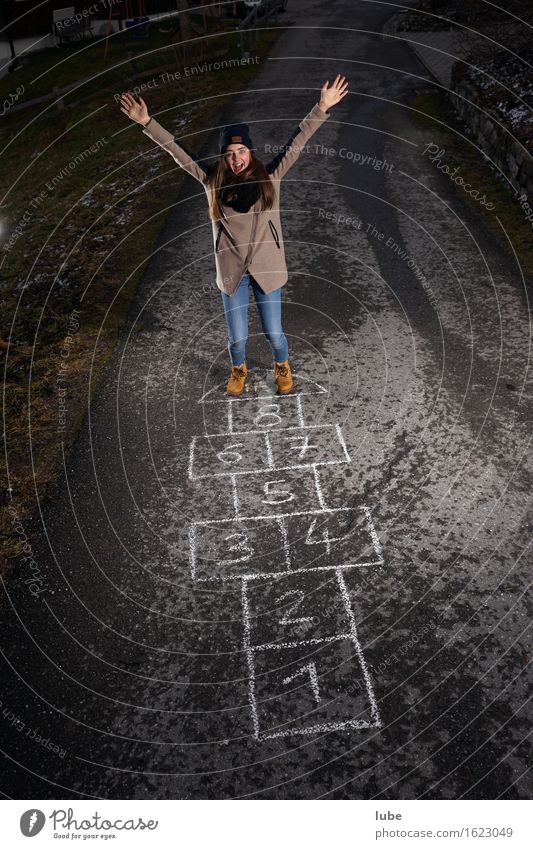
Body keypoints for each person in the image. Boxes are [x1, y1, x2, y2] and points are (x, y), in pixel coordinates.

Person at [119, 75, 348, 396]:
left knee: (274, 333)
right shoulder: (212, 180)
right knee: (237, 337)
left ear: (250, 152)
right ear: (224, 158)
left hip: (267, 270)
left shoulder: (270, 177)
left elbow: (297, 143)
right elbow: (177, 151)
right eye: (230, 153)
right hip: (232, 274)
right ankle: (238, 369)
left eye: (241, 151)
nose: (236, 158)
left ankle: (282, 365)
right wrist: (147, 122)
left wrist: (321, 107)